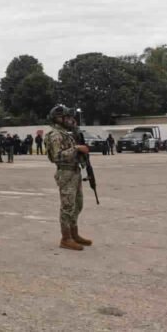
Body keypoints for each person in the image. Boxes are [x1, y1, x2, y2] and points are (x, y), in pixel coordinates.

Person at [46, 105, 92, 251]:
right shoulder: (55, 135)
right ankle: (66, 239)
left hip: (74, 172)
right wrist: (76, 148)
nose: (71, 120)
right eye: (68, 117)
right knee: (67, 206)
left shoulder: (66, 133)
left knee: (77, 204)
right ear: (59, 118)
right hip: (65, 173)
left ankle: (74, 234)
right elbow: (56, 157)